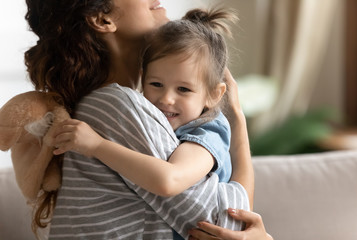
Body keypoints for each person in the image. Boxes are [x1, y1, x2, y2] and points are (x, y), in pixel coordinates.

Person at [24, 0, 269, 239]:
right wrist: (235, 119)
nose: (169, 98)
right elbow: (224, 221)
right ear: (102, 18)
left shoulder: (126, 105)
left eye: (183, 89)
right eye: (157, 84)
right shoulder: (117, 106)